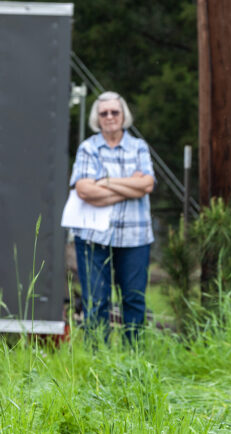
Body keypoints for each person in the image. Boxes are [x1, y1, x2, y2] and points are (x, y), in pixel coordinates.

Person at [70, 91, 155, 343]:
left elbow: (147, 185)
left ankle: (134, 358)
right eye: (103, 113)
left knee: (134, 298)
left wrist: (106, 181)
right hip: (93, 237)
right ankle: (98, 360)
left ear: (123, 115)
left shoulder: (139, 147)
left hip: (135, 236)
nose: (109, 117)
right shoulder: (87, 148)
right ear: (97, 118)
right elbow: (84, 189)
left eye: (114, 112)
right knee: (96, 300)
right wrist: (130, 187)